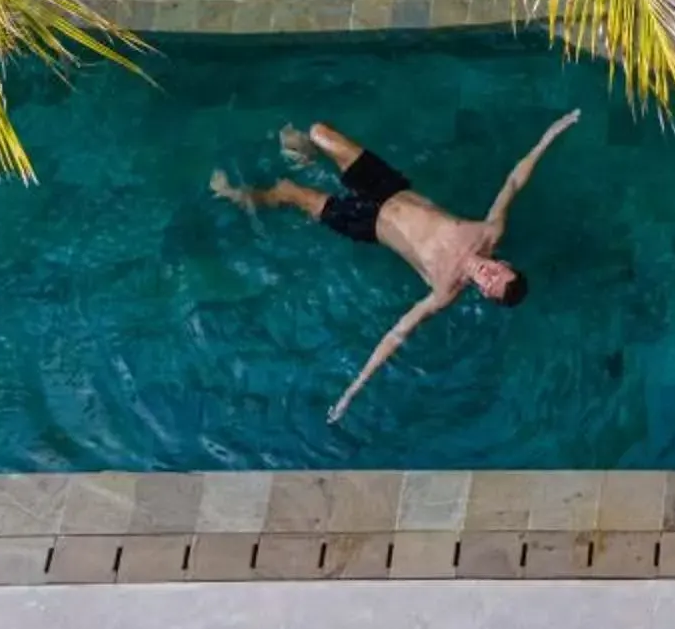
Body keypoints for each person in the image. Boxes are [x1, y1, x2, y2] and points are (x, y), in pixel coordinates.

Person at [213, 111, 578, 423]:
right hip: (387, 188)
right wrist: (551, 134)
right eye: (498, 273)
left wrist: (352, 392)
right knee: (317, 132)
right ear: (505, 263)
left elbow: (396, 335)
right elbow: (514, 180)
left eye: (490, 286)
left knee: (288, 192)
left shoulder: (444, 290)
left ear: (483, 294)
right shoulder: (488, 231)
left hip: (365, 223)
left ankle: (238, 196)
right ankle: (305, 156)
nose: (488, 276)